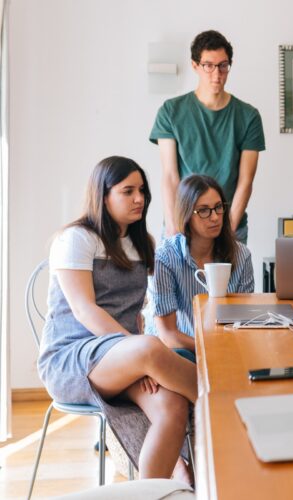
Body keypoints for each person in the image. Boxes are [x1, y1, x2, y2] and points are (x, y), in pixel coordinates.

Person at [37, 157, 197, 481]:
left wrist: (137, 356)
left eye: (142, 191)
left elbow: (136, 312)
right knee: (152, 348)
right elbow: (85, 310)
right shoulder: (77, 238)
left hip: (125, 357)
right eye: (128, 191)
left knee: (172, 407)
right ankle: (228, 403)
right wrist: (138, 353)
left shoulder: (142, 244)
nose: (139, 198)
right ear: (103, 194)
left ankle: (156, 489)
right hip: (72, 358)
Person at [150, 30, 265, 243]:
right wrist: (174, 227)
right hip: (183, 225)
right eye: (208, 65)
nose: (217, 73)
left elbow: (245, 181)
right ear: (195, 65)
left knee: (230, 278)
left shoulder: (248, 116)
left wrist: (227, 232)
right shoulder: (171, 111)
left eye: (223, 65)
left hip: (229, 225)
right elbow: (169, 176)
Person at [147, 175, 254, 361]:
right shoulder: (165, 257)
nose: (214, 217)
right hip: (179, 351)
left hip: (227, 348)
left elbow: (244, 321)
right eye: (203, 211)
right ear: (187, 214)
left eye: (218, 207)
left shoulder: (242, 255)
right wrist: (211, 348)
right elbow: (168, 335)